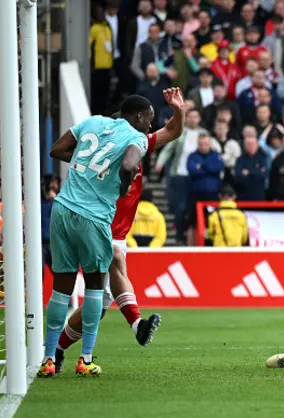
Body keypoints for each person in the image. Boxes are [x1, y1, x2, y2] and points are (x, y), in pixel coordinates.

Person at [52, 88, 185, 375]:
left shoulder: (140, 142)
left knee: (99, 304)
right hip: (99, 217)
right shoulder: (126, 142)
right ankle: (137, 325)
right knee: (114, 262)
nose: (149, 125)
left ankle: (58, 350)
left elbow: (173, 131)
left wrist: (179, 109)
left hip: (118, 228)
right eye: (146, 119)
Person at [40, 94, 154, 377]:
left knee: (60, 290)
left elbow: (57, 149)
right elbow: (128, 166)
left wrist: (86, 167)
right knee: (94, 289)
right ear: (138, 116)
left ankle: (48, 360)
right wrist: (122, 186)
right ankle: (86, 359)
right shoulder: (136, 138)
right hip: (92, 217)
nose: (151, 127)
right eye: (150, 119)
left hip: (62, 210)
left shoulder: (91, 122)